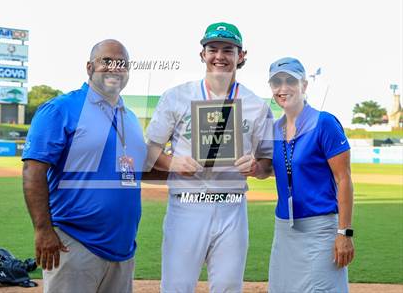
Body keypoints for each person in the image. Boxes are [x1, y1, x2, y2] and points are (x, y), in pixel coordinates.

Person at [145, 22, 273, 293]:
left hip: (232, 207)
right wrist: (172, 163)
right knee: (176, 288)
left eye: (228, 50)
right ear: (202, 54)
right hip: (186, 206)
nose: (220, 56)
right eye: (212, 49)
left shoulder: (256, 105)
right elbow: (150, 151)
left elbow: (267, 164)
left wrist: (255, 166)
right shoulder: (177, 96)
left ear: (242, 56)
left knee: (228, 287)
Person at [22, 39, 146, 293]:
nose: (115, 68)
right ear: (89, 67)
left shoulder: (129, 117)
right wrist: (43, 230)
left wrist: (196, 165)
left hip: (122, 247)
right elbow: (33, 170)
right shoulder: (60, 109)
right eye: (107, 61)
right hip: (73, 243)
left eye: (122, 64)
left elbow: (138, 169)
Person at [262, 57, 355, 293]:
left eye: (290, 81)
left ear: (304, 85)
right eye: (276, 82)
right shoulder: (273, 129)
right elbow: (274, 169)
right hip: (284, 229)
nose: (283, 88)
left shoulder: (325, 123)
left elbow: (343, 179)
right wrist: (255, 169)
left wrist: (344, 233)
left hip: (319, 230)